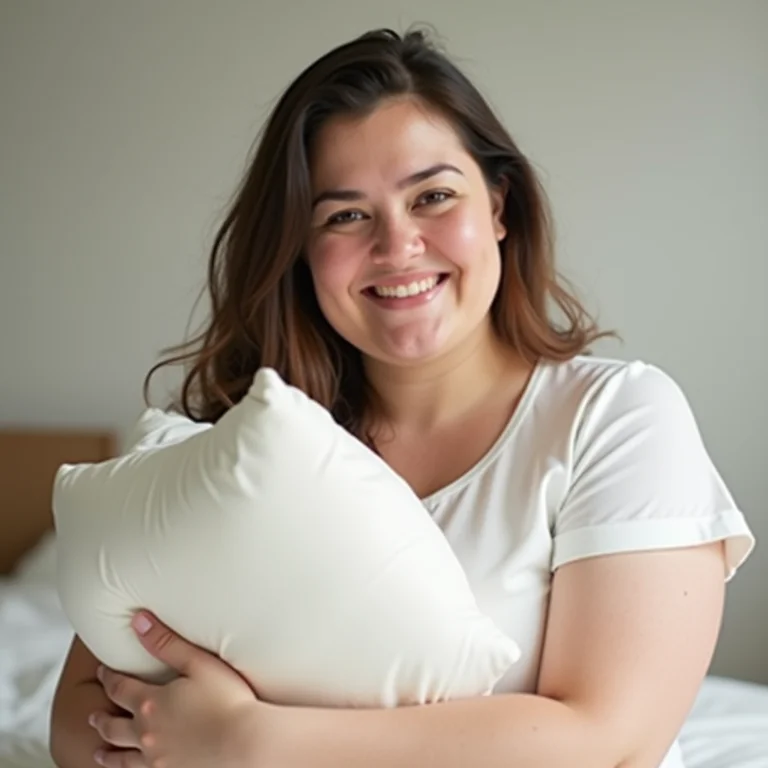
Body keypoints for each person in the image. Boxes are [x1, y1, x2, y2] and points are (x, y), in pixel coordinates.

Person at [50, 27, 755, 768]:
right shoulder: (247, 452)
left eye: (433, 197)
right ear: (299, 249)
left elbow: (609, 741)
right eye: (345, 215)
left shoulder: (615, 419)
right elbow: (73, 722)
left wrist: (251, 740)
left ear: (500, 206)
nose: (397, 245)